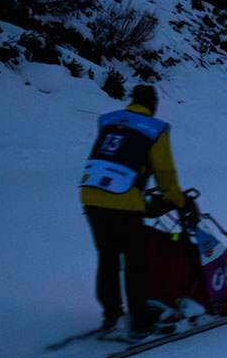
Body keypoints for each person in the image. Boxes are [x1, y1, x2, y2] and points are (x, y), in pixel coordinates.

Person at [79, 84, 189, 338]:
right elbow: (165, 175)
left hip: (91, 195)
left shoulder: (110, 121)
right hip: (123, 201)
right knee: (135, 262)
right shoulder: (153, 129)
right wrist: (179, 201)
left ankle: (111, 315)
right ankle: (140, 321)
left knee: (107, 257)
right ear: (153, 105)